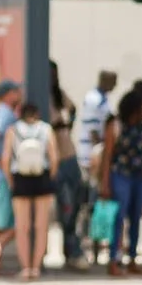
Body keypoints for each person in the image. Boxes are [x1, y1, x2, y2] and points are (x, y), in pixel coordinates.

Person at [98, 83, 142, 276]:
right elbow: (108, 154)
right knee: (119, 217)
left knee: (136, 218)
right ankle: (114, 259)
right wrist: (104, 182)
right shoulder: (116, 125)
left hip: (141, 176)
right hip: (120, 174)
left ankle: (132, 258)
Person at [2, 99, 57, 280]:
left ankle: (25, 268)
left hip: (21, 179)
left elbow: (6, 159)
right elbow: (54, 157)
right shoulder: (46, 129)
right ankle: (36, 267)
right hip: (41, 177)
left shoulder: (13, 130)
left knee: (22, 227)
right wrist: (50, 176)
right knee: (41, 226)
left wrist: (11, 182)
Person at [49, 61, 85, 269]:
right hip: (55, 159)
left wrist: (67, 124)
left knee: (76, 203)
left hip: (69, 154)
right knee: (66, 205)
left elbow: (73, 108)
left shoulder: (58, 94)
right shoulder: (39, 94)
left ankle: (71, 249)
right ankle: (73, 250)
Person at [0, 79, 20, 268]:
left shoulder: (3, 112)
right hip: (2, 175)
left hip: (0, 173)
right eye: (16, 91)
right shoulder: (4, 113)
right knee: (10, 224)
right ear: (8, 94)